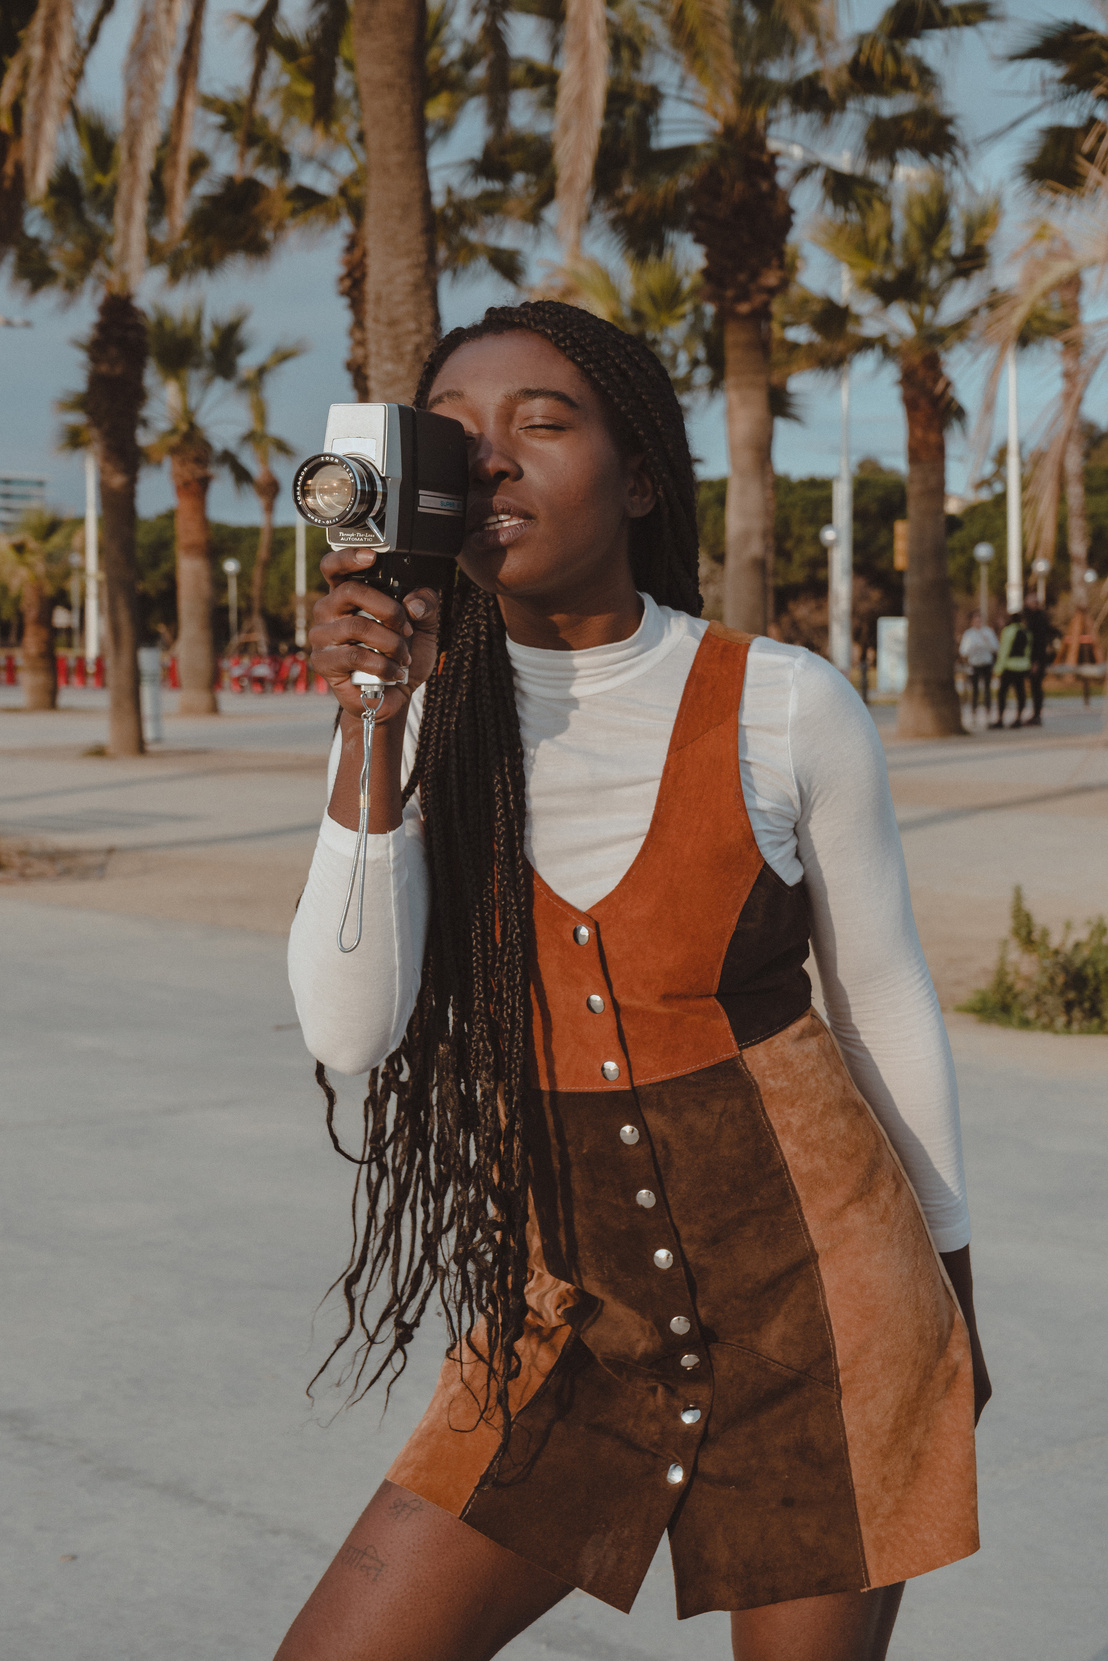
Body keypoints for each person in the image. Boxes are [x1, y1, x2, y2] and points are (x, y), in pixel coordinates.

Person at [280, 301, 990, 1661]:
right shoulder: (416, 712)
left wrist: (954, 1297)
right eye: (456, 438)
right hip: (565, 1328)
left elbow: (885, 1001)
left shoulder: (785, 703)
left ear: (643, 474)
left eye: (540, 424)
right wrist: (373, 723)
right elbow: (349, 1025)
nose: (490, 463)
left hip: (823, 1319)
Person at [990, 610, 1031, 728]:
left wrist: (998, 668)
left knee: (1002, 693)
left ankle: (1000, 719)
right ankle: (1018, 718)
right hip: (1022, 666)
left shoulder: (1008, 631)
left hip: (1009, 666)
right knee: (1020, 692)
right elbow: (1028, 650)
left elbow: (1004, 651)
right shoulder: (1027, 632)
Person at [958, 609, 998, 723]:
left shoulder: (988, 632)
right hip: (974, 664)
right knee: (975, 690)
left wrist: (987, 642)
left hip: (986, 663)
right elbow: (963, 651)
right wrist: (972, 646)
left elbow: (995, 648)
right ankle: (974, 714)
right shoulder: (968, 634)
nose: (978, 622)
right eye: (976, 619)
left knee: (987, 690)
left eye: (980, 619)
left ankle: (988, 714)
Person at [1022, 595, 1056, 727]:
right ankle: (1036, 714)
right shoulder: (1035, 617)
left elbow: (1039, 642)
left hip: (1037, 658)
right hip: (1035, 658)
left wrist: (1036, 661)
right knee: (1034, 687)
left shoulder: (1038, 619)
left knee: (1036, 687)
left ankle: (1037, 715)